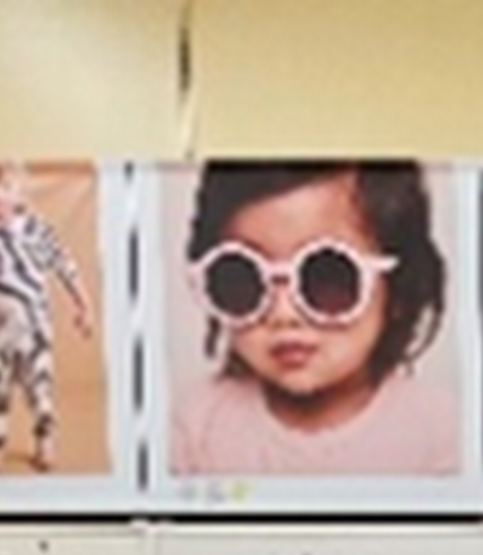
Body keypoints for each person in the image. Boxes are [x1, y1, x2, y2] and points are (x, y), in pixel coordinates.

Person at [172, 161, 459, 478]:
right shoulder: (194, 428)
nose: (283, 315)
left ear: (399, 290)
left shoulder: (442, 435)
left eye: (327, 277)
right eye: (244, 277)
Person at [0, 161, 92, 474]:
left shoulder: (35, 229)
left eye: (5, 187)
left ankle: (45, 442)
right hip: (0, 328)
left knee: (39, 385)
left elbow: (64, 265)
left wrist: (83, 304)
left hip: (35, 324)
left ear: (20, 192)